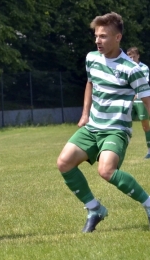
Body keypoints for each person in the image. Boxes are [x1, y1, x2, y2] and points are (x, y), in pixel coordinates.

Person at [57, 12, 150, 233]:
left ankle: (148, 204)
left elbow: (147, 100)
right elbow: (90, 83)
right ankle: (94, 208)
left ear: (118, 38)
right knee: (64, 163)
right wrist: (85, 114)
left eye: (104, 36)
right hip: (92, 127)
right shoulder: (91, 58)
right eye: (96, 36)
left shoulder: (132, 70)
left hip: (116, 130)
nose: (98, 40)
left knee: (106, 170)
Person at [126, 47, 150, 159]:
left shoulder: (143, 68)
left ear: (138, 56)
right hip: (129, 100)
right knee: (123, 123)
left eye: (133, 56)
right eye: (129, 56)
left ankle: (149, 150)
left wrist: (134, 94)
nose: (131, 58)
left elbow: (143, 84)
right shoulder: (126, 67)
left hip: (140, 100)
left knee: (145, 125)